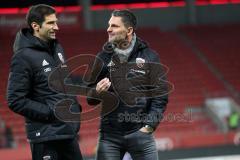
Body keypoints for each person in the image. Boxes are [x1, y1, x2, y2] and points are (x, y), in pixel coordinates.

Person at [87, 9, 169, 160]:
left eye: (114, 26)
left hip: (141, 134)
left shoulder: (149, 56)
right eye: (109, 25)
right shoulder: (102, 57)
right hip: (109, 137)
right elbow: (89, 97)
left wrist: (149, 126)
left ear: (129, 30)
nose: (108, 29)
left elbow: (160, 96)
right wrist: (97, 92)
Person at [7, 4, 82, 160]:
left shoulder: (57, 48)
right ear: (35, 26)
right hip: (46, 137)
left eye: (56, 22)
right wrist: (51, 112)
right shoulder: (23, 57)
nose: (57, 27)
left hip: (67, 132)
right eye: (51, 23)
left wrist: (74, 108)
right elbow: (15, 100)